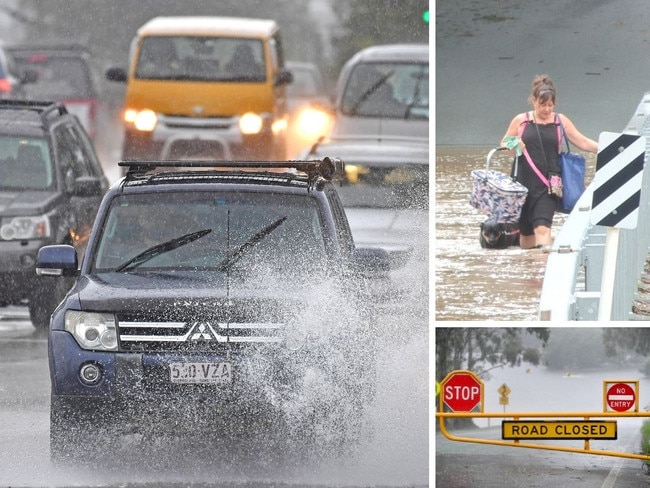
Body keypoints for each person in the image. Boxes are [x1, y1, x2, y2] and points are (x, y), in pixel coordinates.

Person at [500, 74, 599, 250]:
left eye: (550, 105)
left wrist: (606, 148)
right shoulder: (521, 120)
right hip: (522, 184)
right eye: (542, 105)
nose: (547, 109)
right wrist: (516, 144)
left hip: (549, 183)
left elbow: (582, 141)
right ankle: (530, 271)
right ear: (533, 100)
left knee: (542, 227)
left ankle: (541, 271)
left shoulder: (560, 121)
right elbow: (504, 143)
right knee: (526, 235)